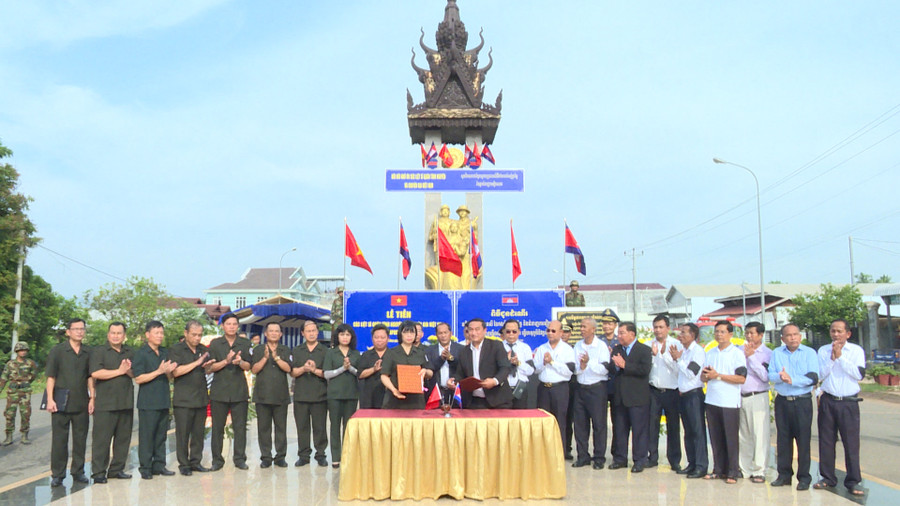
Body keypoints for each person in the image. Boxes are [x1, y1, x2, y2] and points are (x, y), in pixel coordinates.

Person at [814, 319, 866, 497]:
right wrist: (832, 358)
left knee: (851, 443)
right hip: (828, 400)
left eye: (839, 331)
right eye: (833, 331)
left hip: (848, 403)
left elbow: (858, 374)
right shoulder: (823, 350)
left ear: (848, 334)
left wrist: (841, 357)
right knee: (826, 441)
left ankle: (853, 481)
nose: (836, 335)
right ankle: (827, 477)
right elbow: (820, 374)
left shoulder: (856, 351)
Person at [768, 323, 818, 490]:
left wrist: (793, 380)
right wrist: (780, 377)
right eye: (788, 335)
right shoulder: (776, 353)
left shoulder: (810, 353)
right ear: (782, 338)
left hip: (802, 401)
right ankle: (784, 475)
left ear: (800, 336)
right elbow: (770, 374)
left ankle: (804, 477)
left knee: (803, 440)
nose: (793, 337)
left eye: (795, 334)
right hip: (782, 401)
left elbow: (813, 377)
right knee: (783, 440)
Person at [46, 318, 94, 487]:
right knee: (59, 440)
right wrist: (50, 399)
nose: (79, 332)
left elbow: (90, 377)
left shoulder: (88, 352)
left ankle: (78, 471)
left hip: (81, 401)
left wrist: (92, 398)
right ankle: (58, 474)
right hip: (60, 402)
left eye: (82, 329)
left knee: (80, 439)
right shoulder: (58, 351)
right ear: (68, 332)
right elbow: (51, 376)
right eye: (76, 329)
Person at [701, 321, 747, 484]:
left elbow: (741, 378)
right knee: (715, 436)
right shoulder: (711, 352)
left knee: (730, 437)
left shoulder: (737, 353)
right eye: (717, 332)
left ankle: (733, 471)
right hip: (712, 399)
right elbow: (704, 376)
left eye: (722, 332)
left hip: (729, 402)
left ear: (730, 334)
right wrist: (706, 376)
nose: (719, 335)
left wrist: (718, 375)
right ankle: (718, 469)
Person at [89, 322, 135, 483]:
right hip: (105, 404)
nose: (116, 336)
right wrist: (119, 371)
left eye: (119, 333)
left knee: (123, 439)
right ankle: (98, 472)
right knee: (102, 440)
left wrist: (127, 370)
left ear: (124, 335)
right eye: (113, 333)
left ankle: (116, 469)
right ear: (108, 335)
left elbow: (135, 373)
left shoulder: (129, 352)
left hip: (125, 402)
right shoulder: (99, 351)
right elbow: (96, 372)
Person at [132, 320, 177, 480]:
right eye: (156, 333)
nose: (160, 336)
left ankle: (159, 465)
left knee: (161, 435)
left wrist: (169, 372)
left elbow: (170, 376)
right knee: (147, 436)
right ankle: (145, 467)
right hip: (148, 402)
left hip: (163, 399)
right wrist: (159, 371)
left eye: (161, 333)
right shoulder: (141, 353)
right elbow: (139, 378)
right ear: (147, 335)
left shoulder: (165, 352)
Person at [207, 313, 252, 471]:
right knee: (217, 427)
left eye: (234, 324)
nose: (232, 326)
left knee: (240, 427)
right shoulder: (215, 344)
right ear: (223, 326)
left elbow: (249, 366)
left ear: (238, 326)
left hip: (239, 390)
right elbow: (210, 368)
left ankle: (239, 459)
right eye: (228, 324)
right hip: (219, 390)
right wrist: (225, 361)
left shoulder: (245, 343)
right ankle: (217, 460)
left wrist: (240, 362)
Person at [170, 320, 215, 476]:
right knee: (183, 434)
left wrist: (208, 365)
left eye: (200, 335)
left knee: (198, 433)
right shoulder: (177, 349)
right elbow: (176, 372)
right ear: (186, 333)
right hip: (183, 399)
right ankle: (184, 464)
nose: (197, 338)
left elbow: (208, 370)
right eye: (194, 335)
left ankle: (196, 461)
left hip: (201, 397)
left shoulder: (203, 349)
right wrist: (197, 362)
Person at [609, 322, 652, 473]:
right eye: (618, 333)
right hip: (620, 396)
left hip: (637, 397)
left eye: (622, 333)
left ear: (632, 334)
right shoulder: (617, 349)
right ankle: (620, 459)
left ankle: (640, 460)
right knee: (620, 429)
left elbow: (644, 370)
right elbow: (612, 369)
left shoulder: (644, 350)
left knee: (639, 430)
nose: (619, 336)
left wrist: (624, 365)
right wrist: (615, 366)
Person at [251, 322, 292, 469]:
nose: (274, 333)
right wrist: (265, 358)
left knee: (281, 428)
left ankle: (280, 457)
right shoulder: (258, 349)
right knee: (264, 428)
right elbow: (254, 370)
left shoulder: (285, 349)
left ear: (281, 334)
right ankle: (266, 457)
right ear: (266, 334)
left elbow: (288, 368)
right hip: (262, 395)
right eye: (271, 331)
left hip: (281, 395)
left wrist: (276, 358)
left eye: (277, 331)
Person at [571, 317, 610, 470]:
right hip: (581, 388)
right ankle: (582, 456)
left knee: (599, 425)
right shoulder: (577, 346)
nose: (581, 329)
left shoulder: (601, 346)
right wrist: (581, 366)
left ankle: (599, 457)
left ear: (593, 329)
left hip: (597, 389)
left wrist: (588, 363)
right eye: (580, 327)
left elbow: (604, 369)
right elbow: (575, 368)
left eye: (585, 327)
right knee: (580, 425)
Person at [447, 318, 512, 409]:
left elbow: (505, 368)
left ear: (485, 331)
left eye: (477, 329)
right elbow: (460, 374)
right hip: (473, 401)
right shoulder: (463, 351)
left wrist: (494, 381)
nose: (473, 333)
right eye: (470, 330)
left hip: (497, 400)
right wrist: (453, 382)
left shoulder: (496, 346)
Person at [670, 323, 707, 479]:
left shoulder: (697, 352)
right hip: (683, 395)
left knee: (698, 432)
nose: (680, 335)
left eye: (684, 333)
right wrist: (676, 359)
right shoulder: (683, 352)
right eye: (680, 332)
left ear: (693, 335)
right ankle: (691, 463)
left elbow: (692, 373)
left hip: (694, 395)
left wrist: (678, 360)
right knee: (688, 432)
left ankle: (701, 466)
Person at [291, 320, 329, 467]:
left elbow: (327, 373)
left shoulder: (325, 351)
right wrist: (304, 369)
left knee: (320, 427)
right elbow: (292, 372)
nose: (312, 333)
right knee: (302, 427)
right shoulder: (297, 350)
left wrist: (314, 370)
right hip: (301, 395)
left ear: (317, 332)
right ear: (303, 333)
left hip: (320, 395)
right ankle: (304, 455)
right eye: (308, 331)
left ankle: (320, 454)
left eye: (314, 331)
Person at [648, 315, 683, 471]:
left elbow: (679, 370)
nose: (658, 330)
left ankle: (674, 460)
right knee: (651, 425)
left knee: (673, 426)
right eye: (655, 327)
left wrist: (664, 356)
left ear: (668, 328)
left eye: (661, 327)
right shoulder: (649, 345)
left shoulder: (676, 345)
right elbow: (645, 370)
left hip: (672, 391)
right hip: (654, 391)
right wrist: (653, 356)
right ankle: (652, 457)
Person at [738, 322, 772, 484]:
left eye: (752, 333)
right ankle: (744, 469)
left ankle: (759, 470)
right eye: (747, 333)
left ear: (760, 335)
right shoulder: (739, 351)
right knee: (743, 435)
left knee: (759, 434)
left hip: (758, 396)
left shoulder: (767, 354)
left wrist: (751, 357)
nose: (749, 336)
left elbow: (765, 376)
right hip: (740, 396)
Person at [533, 320, 576, 446]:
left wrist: (552, 362)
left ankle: (560, 452)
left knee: (560, 422)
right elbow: (535, 369)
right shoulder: (542, 348)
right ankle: (544, 451)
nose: (550, 333)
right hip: (544, 389)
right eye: (548, 330)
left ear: (560, 332)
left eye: (553, 331)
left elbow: (569, 371)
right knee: (543, 422)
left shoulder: (567, 349)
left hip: (559, 389)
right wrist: (544, 363)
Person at [324, 323, 360, 469]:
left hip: (351, 394)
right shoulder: (331, 353)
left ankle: (347, 456)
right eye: (342, 334)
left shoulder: (356, 354)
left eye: (347, 335)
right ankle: (335, 457)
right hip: (334, 394)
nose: (345, 337)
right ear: (337, 336)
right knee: (334, 427)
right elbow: (326, 374)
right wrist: (342, 368)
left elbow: (360, 373)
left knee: (349, 427)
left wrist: (349, 368)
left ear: (351, 337)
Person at [380, 320, 432, 409]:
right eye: (406, 332)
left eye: (412, 332)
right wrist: (394, 390)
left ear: (416, 335)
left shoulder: (421, 352)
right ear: (400, 334)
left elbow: (430, 373)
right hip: (394, 399)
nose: (409, 335)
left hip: (416, 401)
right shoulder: (391, 353)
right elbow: (384, 376)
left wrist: (425, 371)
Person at [1, 341, 36, 446]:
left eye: (25, 350)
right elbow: (4, 378)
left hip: (25, 392)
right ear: (17, 351)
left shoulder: (30, 363)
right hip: (12, 392)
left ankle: (25, 435)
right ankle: (9, 436)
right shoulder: (10, 364)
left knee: (25, 413)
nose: (23, 352)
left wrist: (25, 381)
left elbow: (33, 375)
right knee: (9, 414)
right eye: (21, 350)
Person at [424, 322, 463, 406]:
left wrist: (450, 358)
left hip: (455, 392)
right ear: (436, 335)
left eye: (445, 333)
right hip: (436, 393)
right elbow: (430, 368)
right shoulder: (429, 350)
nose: (443, 335)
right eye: (440, 333)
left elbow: (462, 368)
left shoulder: (461, 349)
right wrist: (441, 358)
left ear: (451, 333)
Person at [500, 319, 534, 409]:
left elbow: (530, 371)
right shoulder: (498, 347)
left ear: (519, 332)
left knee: (520, 417)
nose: (511, 334)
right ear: (503, 332)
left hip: (520, 388)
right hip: (502, 388)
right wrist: (506, 362)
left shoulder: (525, 348)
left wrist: (518, 363)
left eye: (514, 331)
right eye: (508, 331)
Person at [358, 324, 390, 409]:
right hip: (369, 397)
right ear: (372, 339)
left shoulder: (393, 355)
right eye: (376, 337)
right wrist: (374, 369)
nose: (379, 340)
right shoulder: (366, 355)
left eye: (382, 337)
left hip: (388, 397)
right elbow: (360, 374)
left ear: (388, 338)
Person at [561, 323, 576, 460]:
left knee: (568, 419)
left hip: (570, 386)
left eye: (567, 332)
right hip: (556, 386)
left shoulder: (573, 349)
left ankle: (567, 448)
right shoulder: (550, 348)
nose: (564, 334)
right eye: (563, 331)